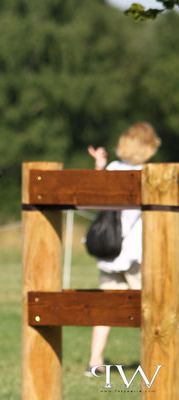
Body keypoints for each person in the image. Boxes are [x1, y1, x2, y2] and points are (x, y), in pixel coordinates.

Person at [85, 122, 161, 376]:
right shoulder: (149, 173)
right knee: (151, 307)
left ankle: (94, 361)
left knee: (106, 308)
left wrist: (99, 165)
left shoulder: (115, 168)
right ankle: (154, 359)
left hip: (110, 252)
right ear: (149, 147)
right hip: (137, 255)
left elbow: (94, 192)